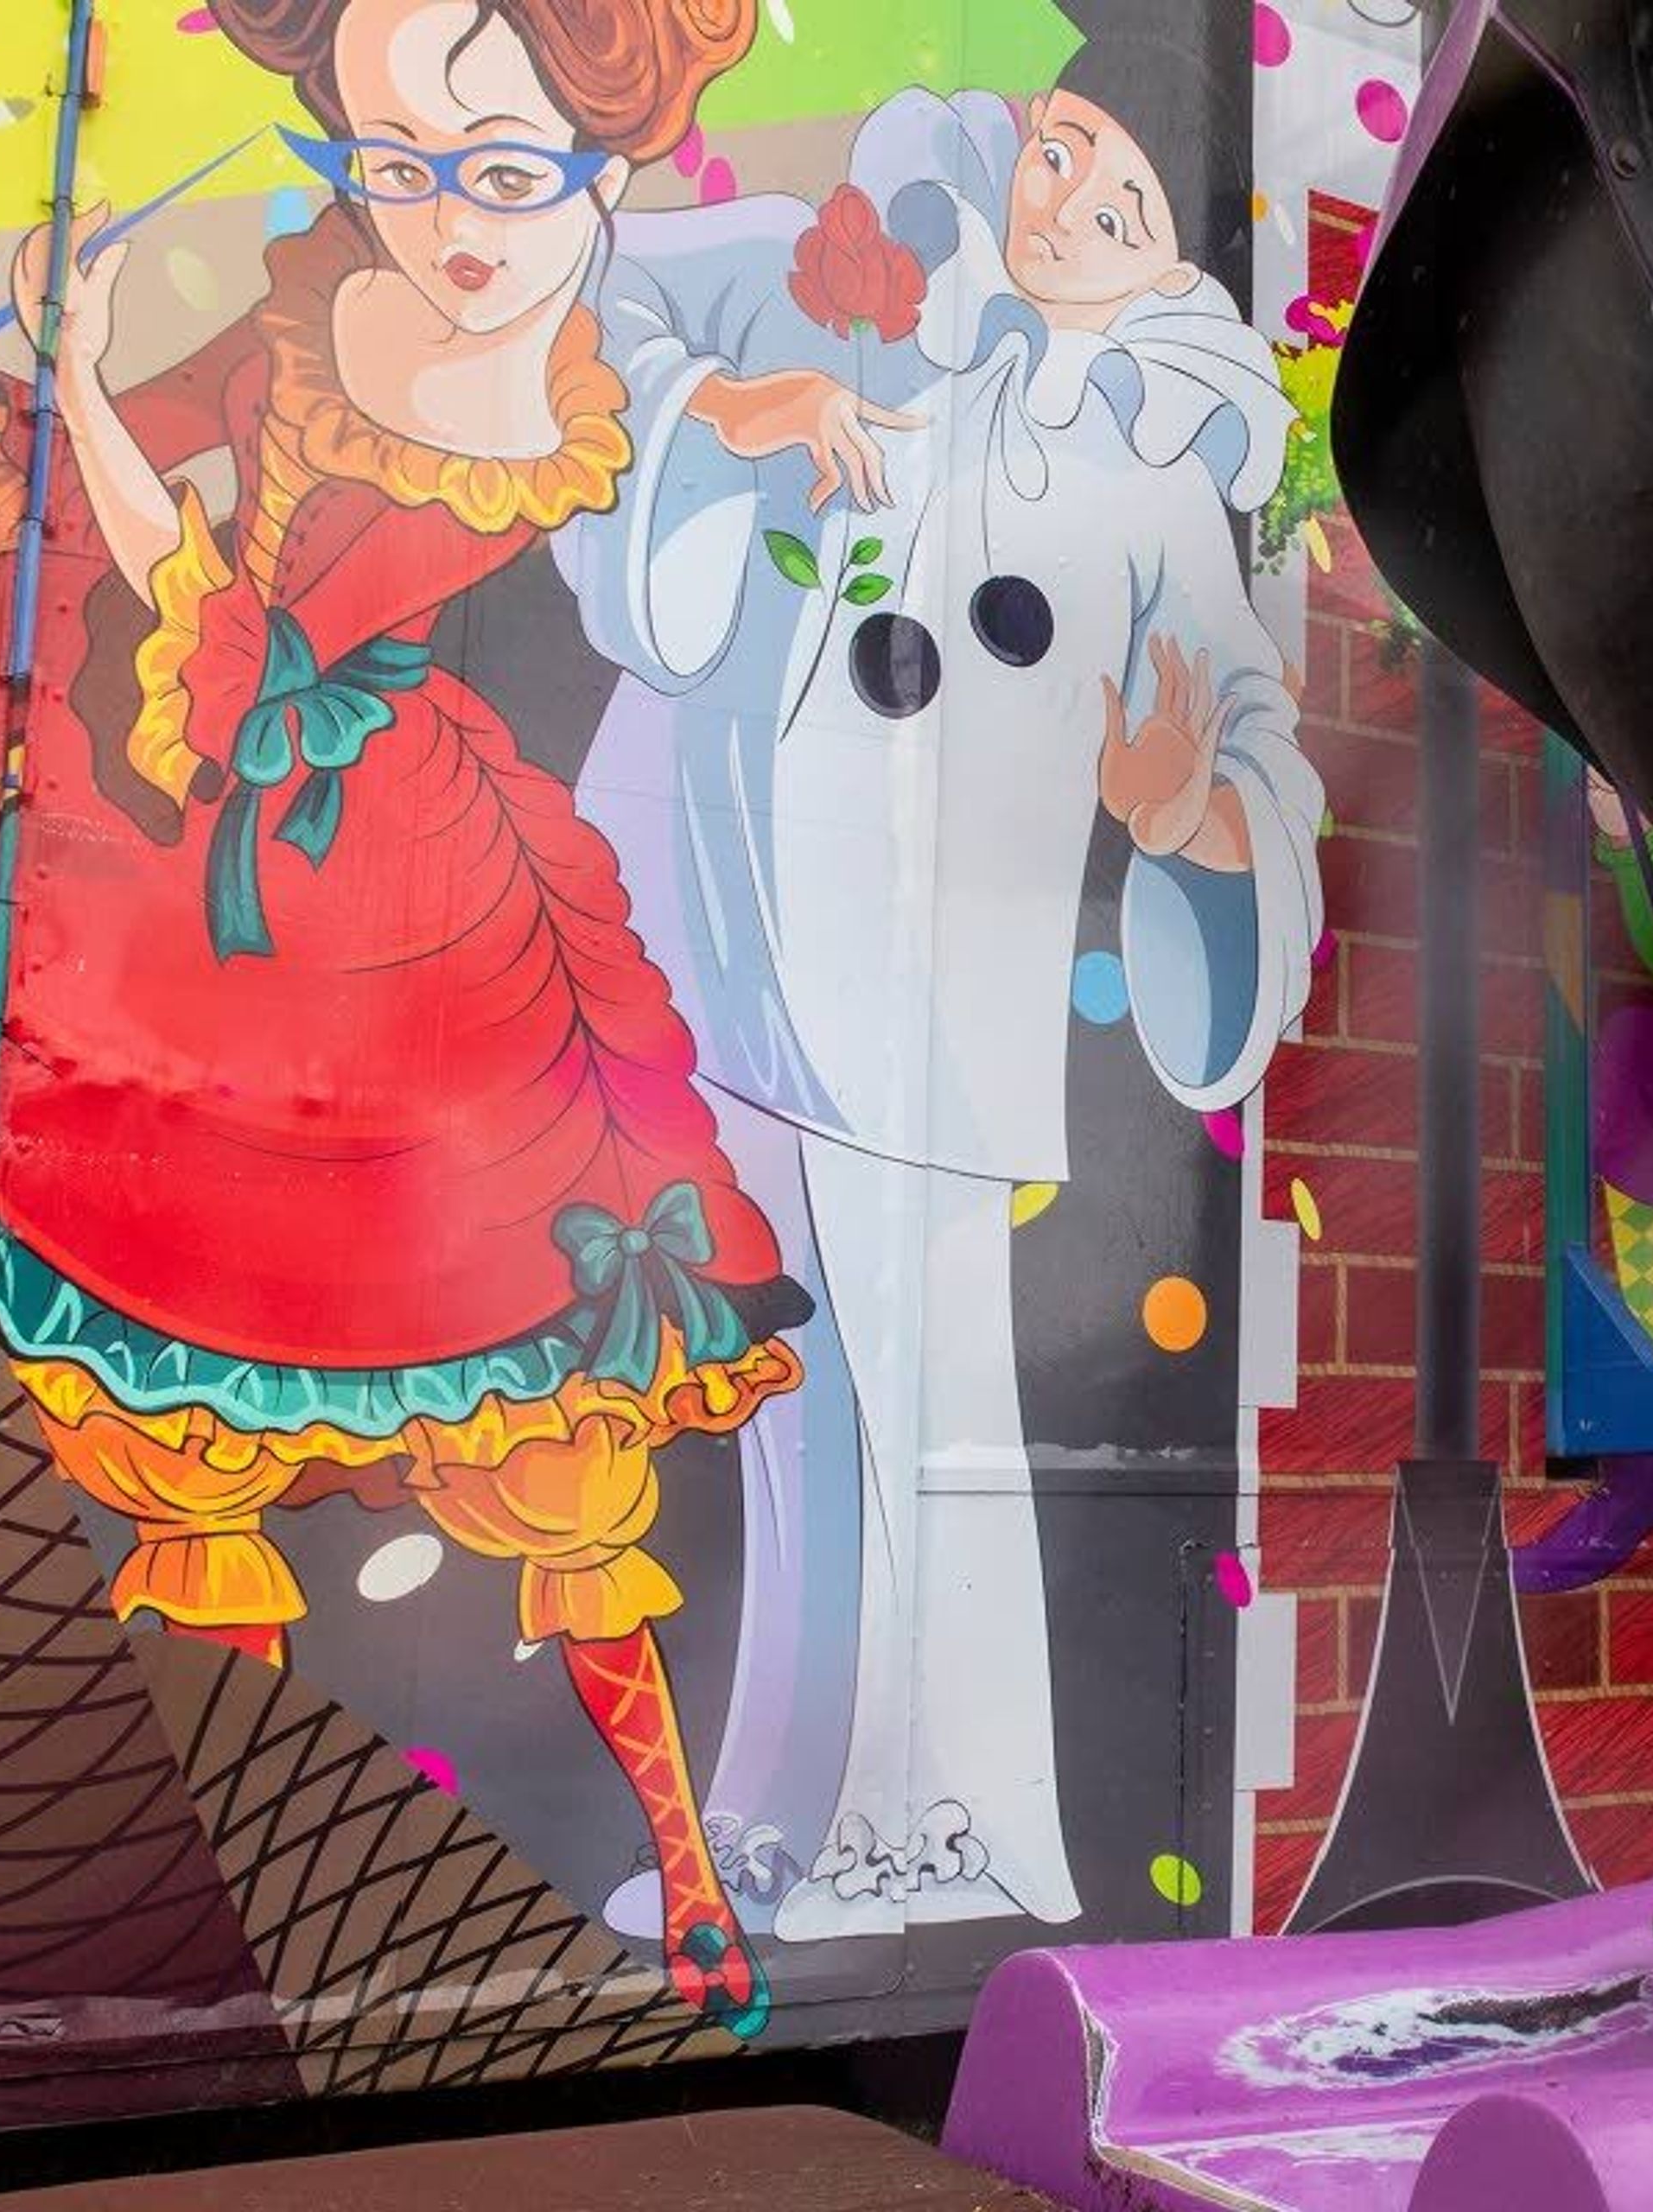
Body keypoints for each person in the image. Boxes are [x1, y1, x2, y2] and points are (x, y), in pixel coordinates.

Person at [0, 0, 792, 2037]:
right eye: (396, 161)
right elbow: (155, 499)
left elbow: (226, 609)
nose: (450, 217)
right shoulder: (325, 291)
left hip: (397, 879)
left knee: (546, 1417)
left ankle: (685, 1884)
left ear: (607, 148)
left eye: (500, 169)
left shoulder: (548, 398)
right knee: (186, 1387)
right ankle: (190, 1913)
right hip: (234, 866)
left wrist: (89, 402)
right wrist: (62, 371)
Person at [562, 41, 1319, 1939]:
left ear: (1163, 275)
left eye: (1122, 204)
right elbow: (622, 303)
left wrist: (1193, 815)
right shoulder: (898, 315)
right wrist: (740, 404)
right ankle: (779, 1815)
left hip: (929, 1007)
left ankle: (944, 1821)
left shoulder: (1151, 482)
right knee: (800, 1412)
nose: (1065, 198)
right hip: (757, 940)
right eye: (1063, 150)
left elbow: (1257, 750)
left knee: (930, 1420)